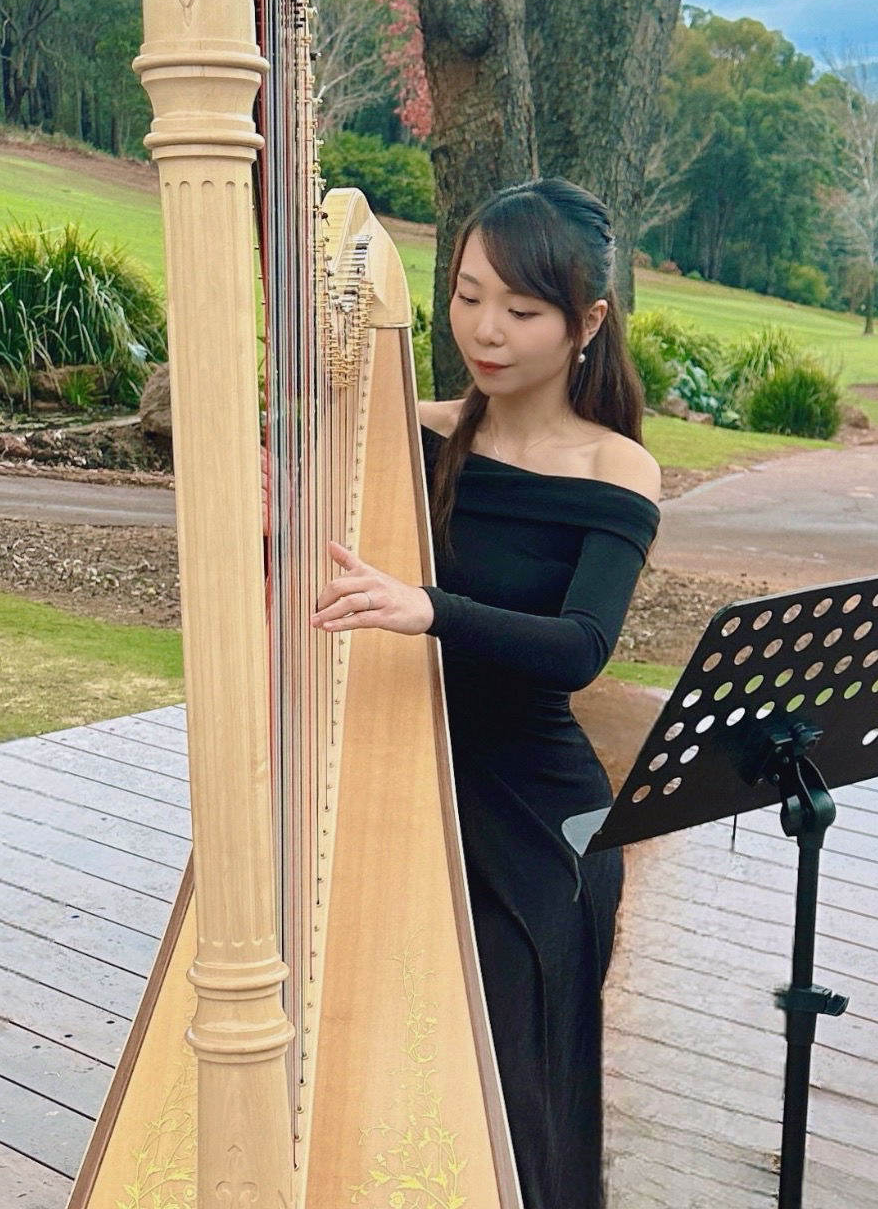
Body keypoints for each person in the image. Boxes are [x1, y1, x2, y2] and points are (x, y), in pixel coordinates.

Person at [312, 177, 661, 1209]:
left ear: (587, 321)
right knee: (401, 1090)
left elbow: (579, 647)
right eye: (467, 295)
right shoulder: (403, 435)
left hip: (539, 826)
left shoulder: (617, 470)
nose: (485, 328)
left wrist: (429, 608)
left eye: (521, 307)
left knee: (517, 1104)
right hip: (398, 791)